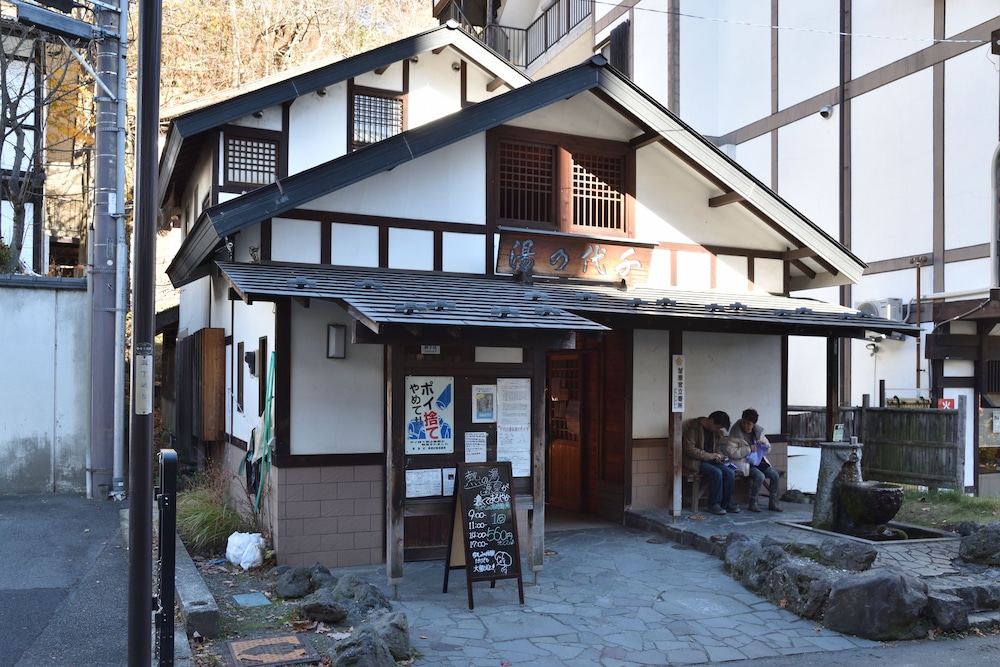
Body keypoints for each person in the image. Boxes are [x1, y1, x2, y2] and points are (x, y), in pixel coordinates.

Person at [725, 408, 782, 512]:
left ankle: (773, 502)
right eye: (744, 422)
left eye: (749, 424)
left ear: (754, 424)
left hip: (759, 460)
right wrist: (747, 449)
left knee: (775, 475)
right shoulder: (735, 432)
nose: (745, 425)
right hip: (744, 462)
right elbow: (731, 452)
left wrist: (764, 445)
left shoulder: (758, 431)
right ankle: (753, 502)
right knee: (760, 476)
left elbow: (768, 447)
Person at [682, 411, 739, 515]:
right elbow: (689, 448)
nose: (718, 429)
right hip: (696, 461)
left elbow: (716, 448)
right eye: (717, 427)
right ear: (711, 421)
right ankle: (714, 504)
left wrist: (719, 456)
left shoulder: (715, 432)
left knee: (730, 472)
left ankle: (727, 503)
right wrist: (709, 456)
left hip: (711, 460)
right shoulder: (693, 428)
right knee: (717, 473)